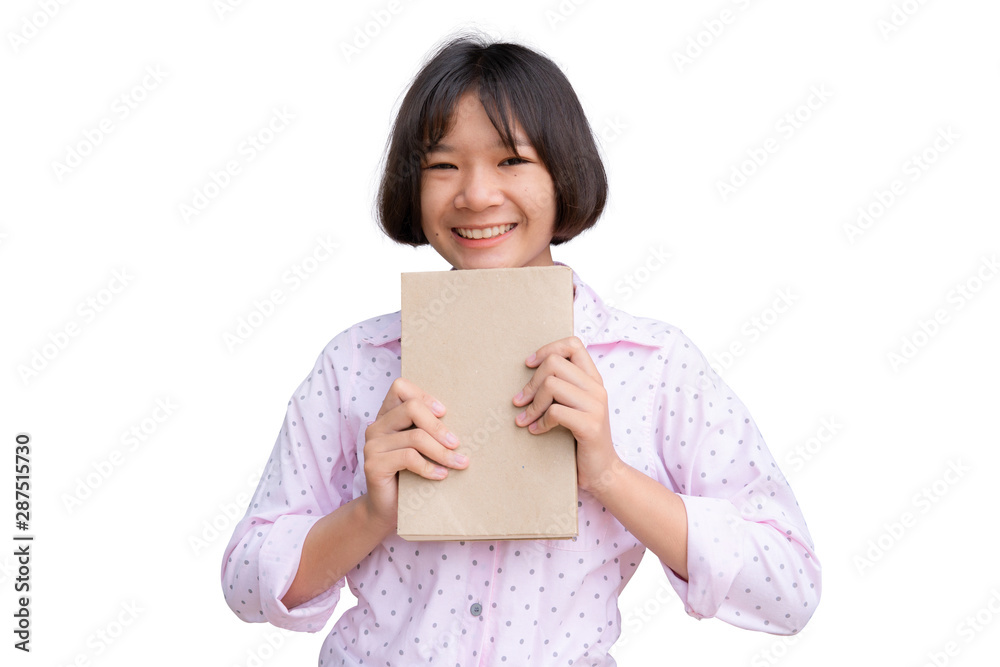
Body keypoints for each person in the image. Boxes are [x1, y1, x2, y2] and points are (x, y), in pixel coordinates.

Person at [221, 32, 821, 666]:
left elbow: (790, 589)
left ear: (564, 172)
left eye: (512, 161)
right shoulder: (356, 363)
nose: (476, 195)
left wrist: (610, 474)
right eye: (443, 165)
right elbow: (244, 583)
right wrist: (370, 513)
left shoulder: (652, 364)